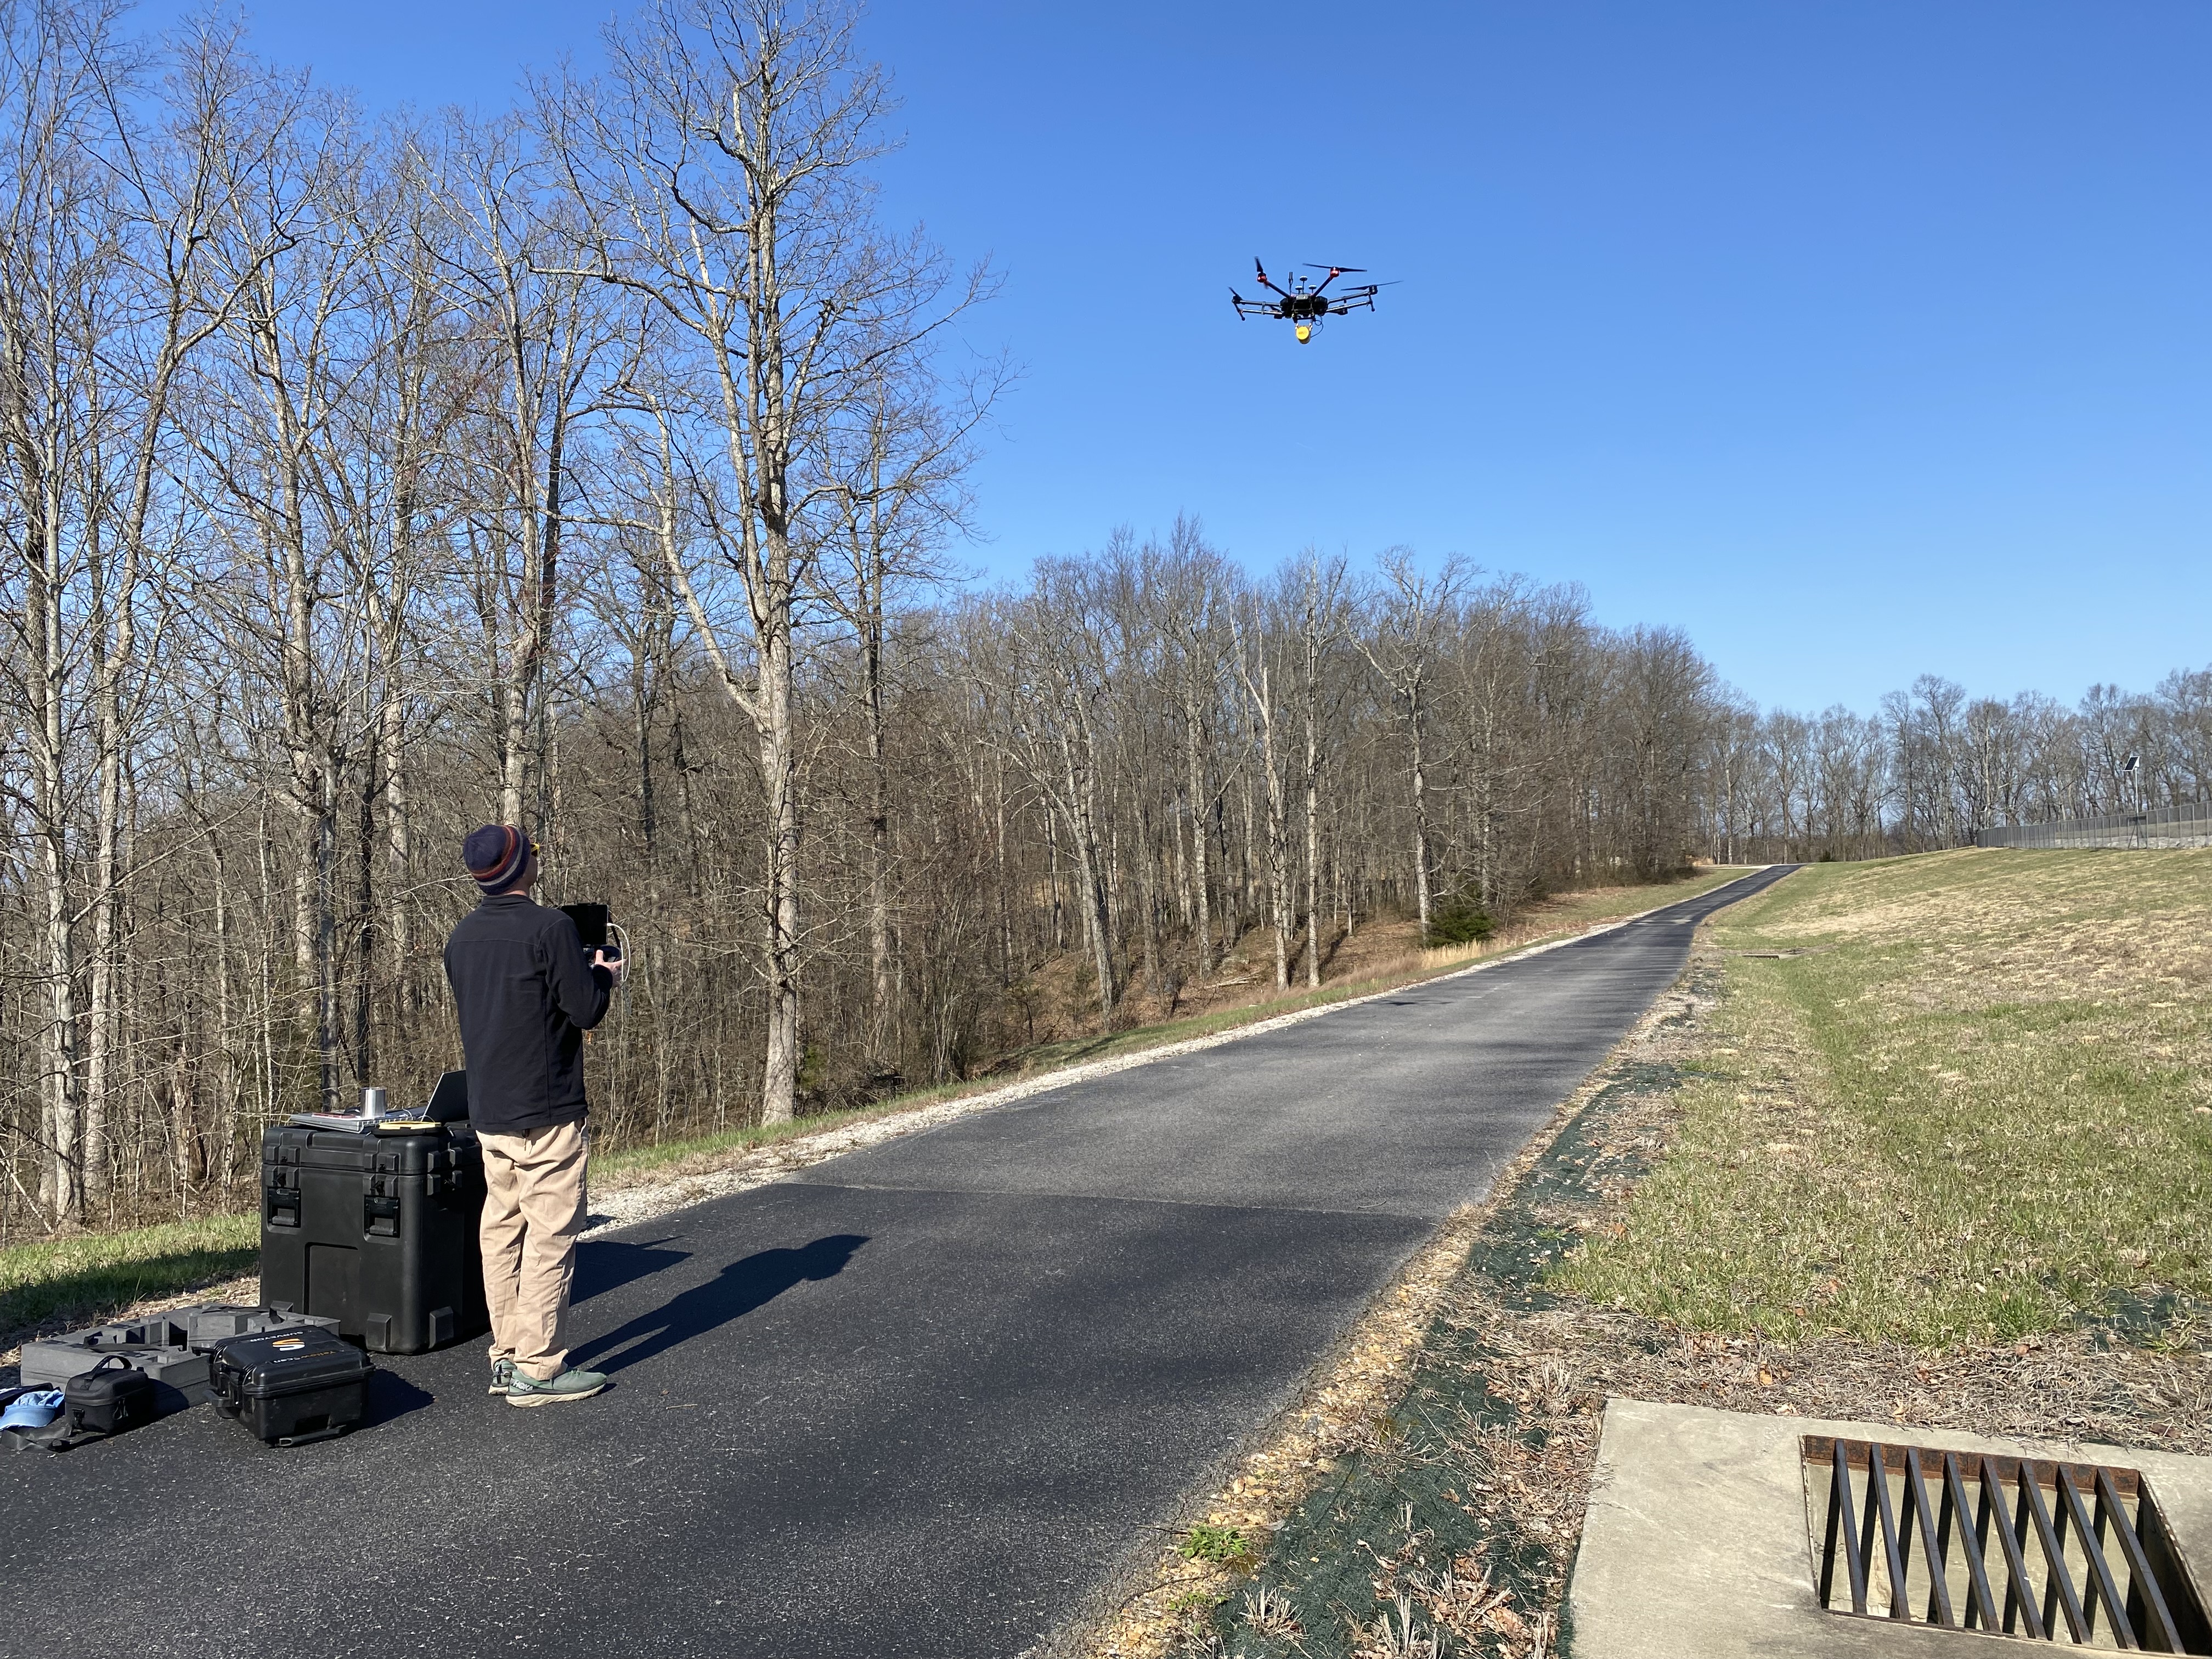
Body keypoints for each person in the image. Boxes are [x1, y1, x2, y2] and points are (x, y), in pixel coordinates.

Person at [443, 825, 624, 1407]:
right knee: (550, 1236)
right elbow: (585, 1010)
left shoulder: (461, 937)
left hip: (490, 1110)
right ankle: (539, 1370)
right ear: (522, 865)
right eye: (534, 853)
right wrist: (603, 974)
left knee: (501, 1232)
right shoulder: (551, 928)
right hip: (546, 1110)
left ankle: (507, 1357)